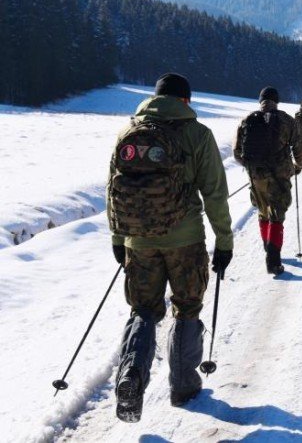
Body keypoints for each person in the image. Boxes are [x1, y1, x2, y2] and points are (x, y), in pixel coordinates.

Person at [107, 73, 233, 422]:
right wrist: (224, 240)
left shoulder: (128, 133)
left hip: (138, 240)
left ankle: (131, 375)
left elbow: (112, 190)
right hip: (185, 240)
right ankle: (184, 386)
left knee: (143, 310)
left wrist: (119, 238)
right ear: (186, 101)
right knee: (187, 308)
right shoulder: (197, 134)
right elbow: (215, 194)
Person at [234, 86, 302, 275]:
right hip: (279, 174)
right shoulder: (286, 120)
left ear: (261, 102)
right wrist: (298, 166)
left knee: (262, 210)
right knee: (277, 212)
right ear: (277, 101)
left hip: (256, 175)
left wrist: (251, 166)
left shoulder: (247, 120)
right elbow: (300, 148)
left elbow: (237, 152)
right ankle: (273, 260)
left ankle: (268, 247)